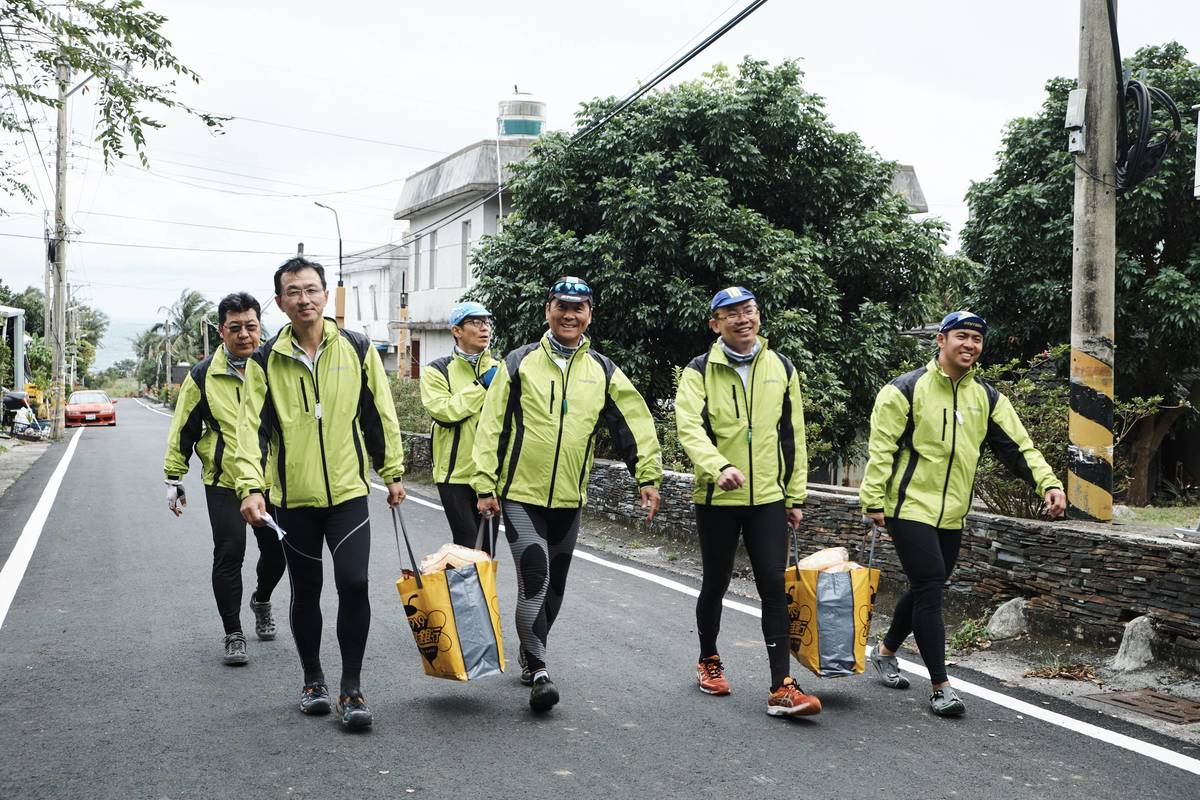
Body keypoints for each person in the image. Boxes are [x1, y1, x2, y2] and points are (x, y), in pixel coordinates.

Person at [860, 310, 1066, 717]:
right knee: (932, 587)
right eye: (961, 337)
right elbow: (881, 449)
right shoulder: (904, 389)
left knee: (925, 587)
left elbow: (1018, 446)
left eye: (976, 339)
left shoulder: (987, 398)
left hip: (953, 513)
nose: (969, 345)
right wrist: (873, 500)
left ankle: (884, 652)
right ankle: (941, 686)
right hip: (908, 506)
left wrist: (1049, 483)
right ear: (941, 340)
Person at [472, 276, 663, 712]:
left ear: (589, 315)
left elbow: (632, 422)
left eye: (579, 308)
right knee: (534, 577)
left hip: (570, 500)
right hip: (521, 494)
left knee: (555, 588)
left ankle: (530, 648)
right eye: (562, 306)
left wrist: (647, 477)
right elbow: (492, 427)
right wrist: (485, 485)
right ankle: (540, 670)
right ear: (548, 310)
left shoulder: (603, 369)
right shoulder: (518, 363)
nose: (569, 315)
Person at [235, 257, 406, 731]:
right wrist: (250, 486)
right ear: (280, 302)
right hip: (293, 500)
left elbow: (379, 414)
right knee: (306, 589)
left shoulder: (356, 347)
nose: (304, 299)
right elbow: (250, 430)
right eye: (294, 292)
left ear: (326, 295)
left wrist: (392, 471)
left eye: (312, 290)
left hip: (350, 493)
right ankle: (313, 679)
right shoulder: (265, 360)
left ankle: (351, 687)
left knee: (354, 583)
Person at [674, 286, 821, 718]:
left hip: (768, 498)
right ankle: (709, 660)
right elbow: (689, 428)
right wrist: (717, 466)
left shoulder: (782, 367)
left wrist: (795, 495)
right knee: (716, 581)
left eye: (749, 310)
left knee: (773, 586)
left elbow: (793, 437)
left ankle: (782, 686)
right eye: (731, 313)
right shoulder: (699, 370)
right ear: (715, 324)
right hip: (717, 497)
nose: (743, 319)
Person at [162, 292, 284, 666]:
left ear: (260, 327)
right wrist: (174, 477)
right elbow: (184, 427)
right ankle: (233, 632)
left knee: (278, 552)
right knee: (230, 552)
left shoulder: (277, 367)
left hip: (273, 478)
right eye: (235, 328)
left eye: (251, 326)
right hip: (225, 480)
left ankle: (261, 599)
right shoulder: (203, 375)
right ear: (221, 331)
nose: (244, 335)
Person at [419, 301, 500, 553]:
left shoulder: (500, 369)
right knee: (466, 543)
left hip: (491, 473)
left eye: (487, 322)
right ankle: (464, 593)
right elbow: (445, 412)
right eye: (476, 323)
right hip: (454, 475)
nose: (484, 328)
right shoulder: (437, 371)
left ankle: (482, 594)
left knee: (487, 549)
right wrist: (482, 385)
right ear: (457, 330)